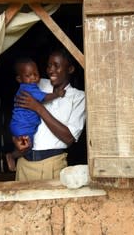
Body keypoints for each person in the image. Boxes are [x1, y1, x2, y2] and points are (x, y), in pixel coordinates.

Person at [11, 48, 86, 181]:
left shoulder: (79, 97)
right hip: (24, 164)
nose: (51, 70)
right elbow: (20, 114)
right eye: (49, 66)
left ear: (70, 69)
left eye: (56, 66)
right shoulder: (36, 83)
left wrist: (38, 108)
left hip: (51, 164)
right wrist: (15, 140)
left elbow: (69, 138)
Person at [6, 57, 65, 171]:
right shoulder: (29, 88)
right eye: (28, 76)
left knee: (25, 145)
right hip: (23, 126)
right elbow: (44, 97)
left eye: (35, 74)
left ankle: (14, 148)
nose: (33, 78)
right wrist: (57, 94)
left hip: (20, 125)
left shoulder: (26, 87)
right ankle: (12, 156)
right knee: (27, 147)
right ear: (19, 78)